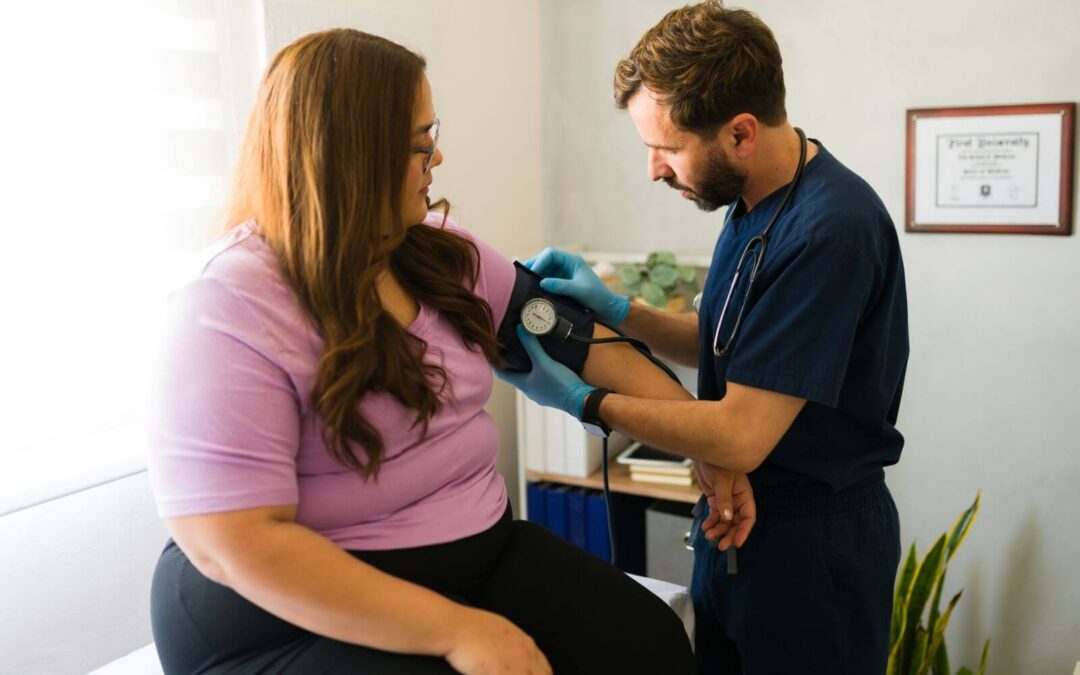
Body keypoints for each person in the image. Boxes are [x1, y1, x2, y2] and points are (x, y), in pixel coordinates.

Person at [147, 28, 700, 675]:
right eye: (417, 144)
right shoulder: (230, 305)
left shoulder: (436, 250)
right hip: (283, 607)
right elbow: (235, 540)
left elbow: (575, 340)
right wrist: (459, 631)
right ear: (351, 156)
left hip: (475, 553)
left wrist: (706, 444)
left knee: (650, 643)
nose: (435, 160)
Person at [507, 3, 909, 673]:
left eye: (665, 148)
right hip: (736, 522)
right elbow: (727, 343)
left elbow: (739, 434)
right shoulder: (754, 200)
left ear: (741, 133)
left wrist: (582, 401)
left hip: (812, 550)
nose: (654, 170)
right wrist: (620, 307)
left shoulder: (829, 231)